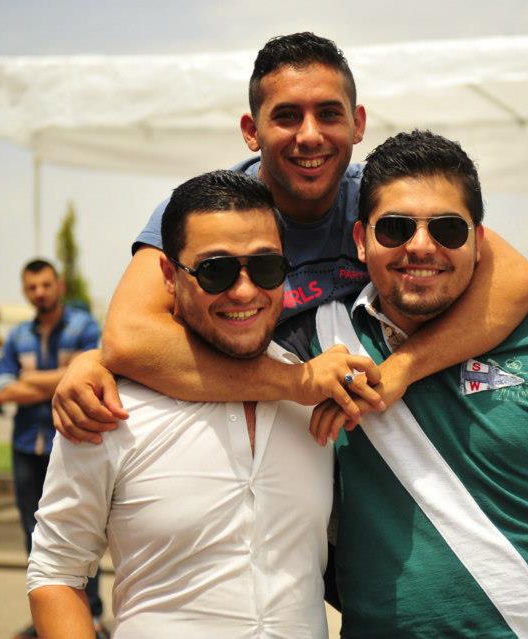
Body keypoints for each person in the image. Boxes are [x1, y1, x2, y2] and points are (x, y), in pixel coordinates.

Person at [51, 32, 528, 441]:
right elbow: (130, 337)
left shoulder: (382, 205)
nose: (310, 135)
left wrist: (399, 370)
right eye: (287, 116)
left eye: (329, 113)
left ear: (357, 124)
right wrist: (295, 381)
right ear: (251, 131)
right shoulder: (209, 213)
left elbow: (518, 281)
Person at [278, 130, 528, 637]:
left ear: (479, 240)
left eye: (447, 229)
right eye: (394, 228)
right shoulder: (316, 343)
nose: (421, 246)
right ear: (359, 240)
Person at [28, 170, 361, 638]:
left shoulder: (315, 395)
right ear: (169, 276)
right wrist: (94, 360)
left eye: (266, 267)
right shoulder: (107, 407)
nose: (244, 290)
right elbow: (55, 573)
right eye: (215, 270)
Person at [0, 260, 107, 639]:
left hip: (74, 442)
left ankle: (90, 617)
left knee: (83, 534)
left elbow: (96, 373)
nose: (39, 292)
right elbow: (3, 390)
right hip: (27, 446)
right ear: (25, 291)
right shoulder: (17, 336)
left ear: (59, 286)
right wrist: (64, 377)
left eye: (45, 284)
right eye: (32, 287)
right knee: (34, 535)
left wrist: (31, 379)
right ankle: (48, 620)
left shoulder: (84, 327)